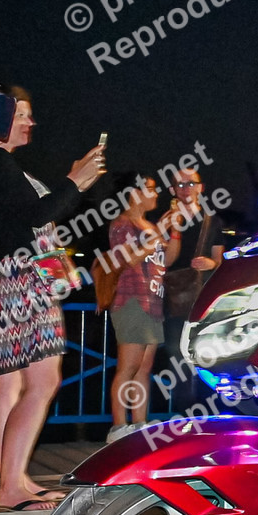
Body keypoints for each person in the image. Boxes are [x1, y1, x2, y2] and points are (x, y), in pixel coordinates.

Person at [0, 86, 105, 509]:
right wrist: (75, 181)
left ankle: (15, 479)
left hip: (7, 277)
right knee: (42, 381)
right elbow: (36, 216)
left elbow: (28, 220)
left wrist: (76, 182)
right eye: (22, 114)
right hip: (20, 277)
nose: (30, 122)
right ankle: (11, 485)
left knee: (9, 383)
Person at [106, 173, 179, 440]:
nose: (156, 193)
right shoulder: (122, 224)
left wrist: (174, 229)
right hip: (132, 300)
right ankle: (118, 427)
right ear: (134, 193)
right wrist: (159, 230)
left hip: (153, 301)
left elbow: (167, 259)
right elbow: (129, 259)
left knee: (144, 368)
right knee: (128, 365)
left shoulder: (148, 225)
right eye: (151, 188)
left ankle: (139, 423)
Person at [161, 168, 226, 400]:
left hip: (202, 297)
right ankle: (184, 412)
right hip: (173, 298)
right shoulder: (165, 221)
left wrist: (211, 263)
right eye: (180, 184)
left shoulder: (212, 221)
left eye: (191, 183)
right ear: (172, 190)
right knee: (177, 356)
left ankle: (206, 408)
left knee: (206, 355)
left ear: (200, 188)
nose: (185, 188)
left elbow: (220, 261)